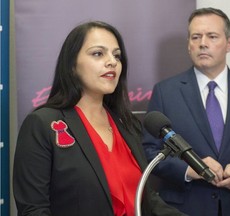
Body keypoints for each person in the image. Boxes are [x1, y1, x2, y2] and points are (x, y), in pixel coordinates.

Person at [13, 21, 187, 216]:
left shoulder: (127, 125)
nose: (111, 61)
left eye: (117, 55)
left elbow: (147, 200)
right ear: (72, 65)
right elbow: (33, 210)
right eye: (98, 53)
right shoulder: (42, 124)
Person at [142, 7, 230, 216]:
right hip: (183, 209)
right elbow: (150, 152)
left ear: (229, 43)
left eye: (212, 36)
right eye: (196, 37)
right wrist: (190, 170)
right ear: (189, 45)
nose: (203, 43)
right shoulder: (165, 91)